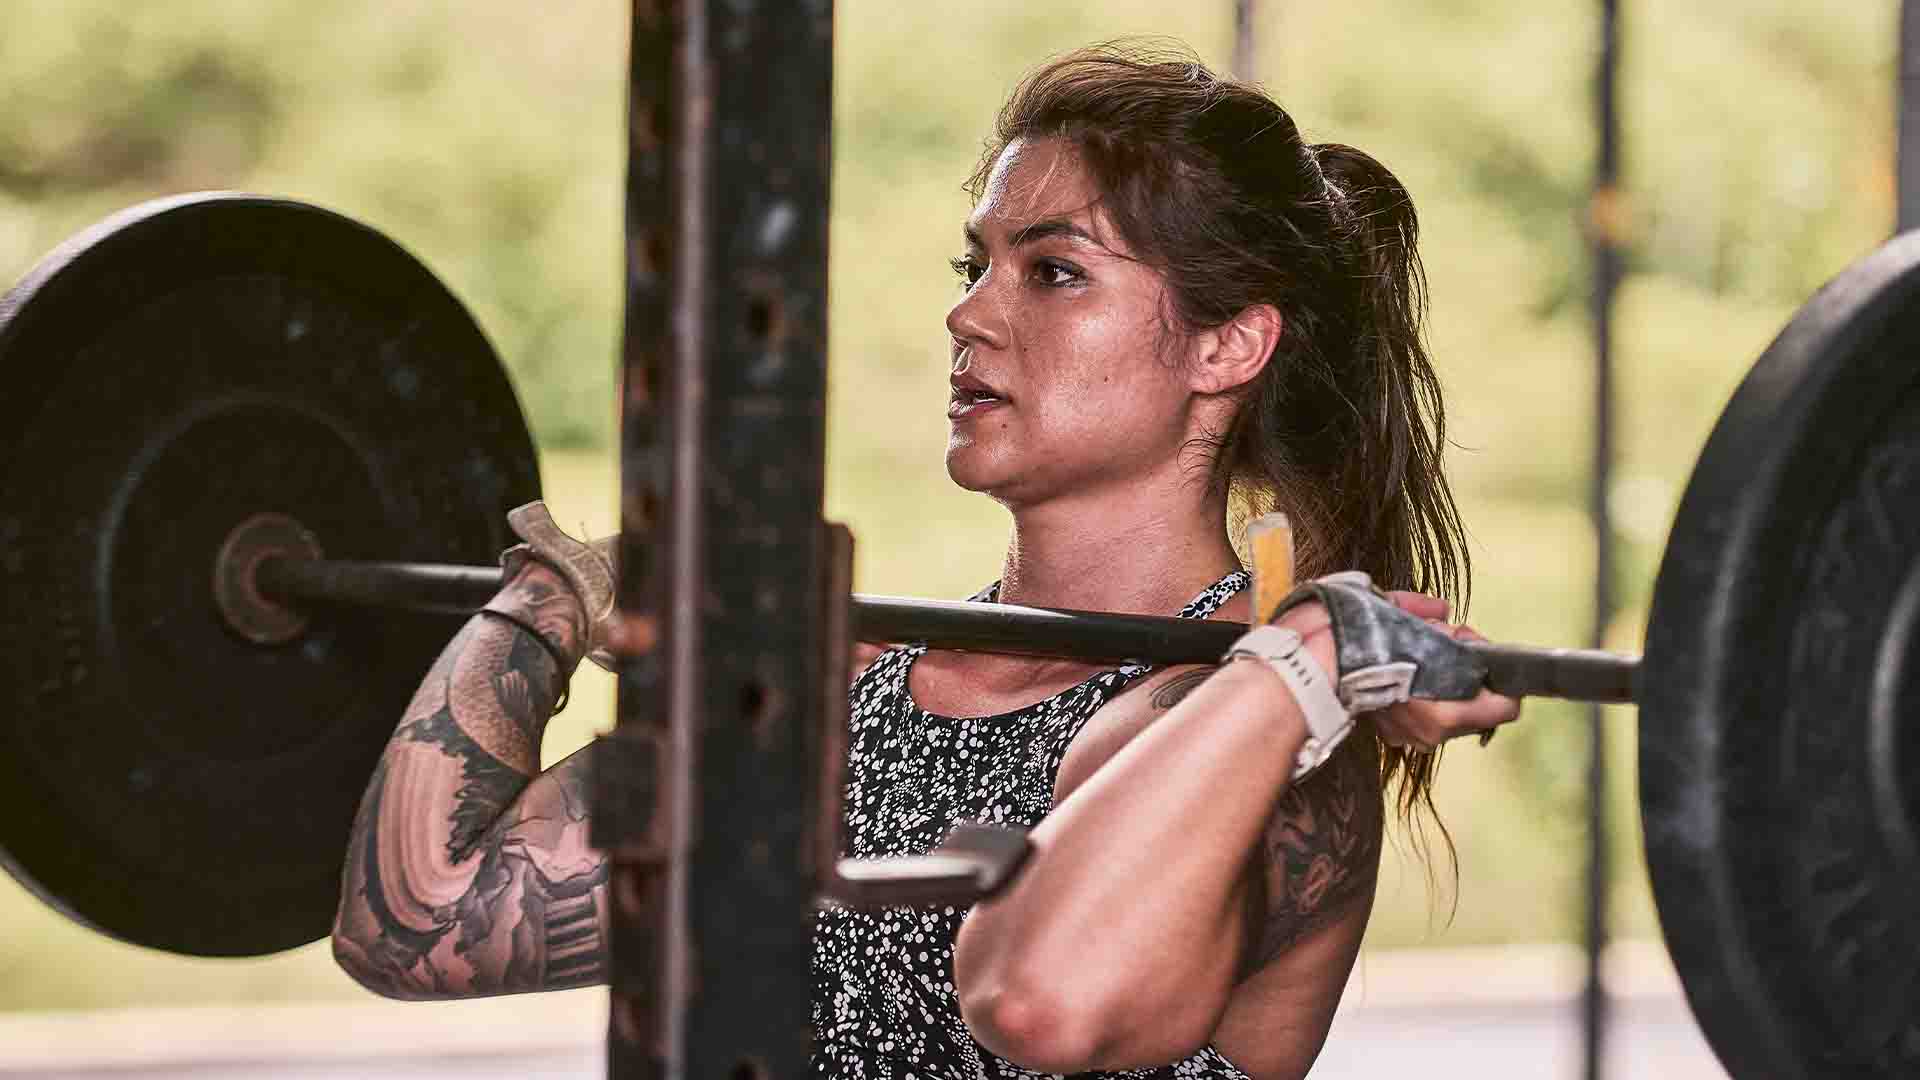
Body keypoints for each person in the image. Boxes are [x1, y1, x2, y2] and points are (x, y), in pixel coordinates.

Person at [331, 42, 1521, 1079]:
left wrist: (1302, 651)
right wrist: (550, 597)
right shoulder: (844, 687)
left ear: (1227, 345)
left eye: (1053, 272)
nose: (971, 315)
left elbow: (1040, 997)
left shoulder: (1263, 737)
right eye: (977, 267)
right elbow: (418, 922)